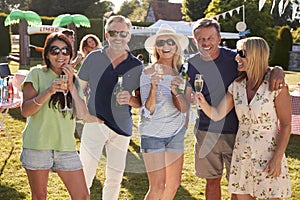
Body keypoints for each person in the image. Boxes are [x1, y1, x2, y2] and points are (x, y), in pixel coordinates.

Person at [186, 18, 285, 200]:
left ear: (219, 38)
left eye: (210, 38)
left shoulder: (234, 58)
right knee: (213, 181)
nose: (206, 43)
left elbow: (257, 63)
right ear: (194, 40)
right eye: (201, 39)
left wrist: (277, 69)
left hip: (237, 133)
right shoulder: (192, 64)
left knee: (239, 186)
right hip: (206, 131)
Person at [77, 15, 143, 200]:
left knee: (114, 178)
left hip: (122, 129)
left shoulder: (137, 65)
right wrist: (84, 114)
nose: (118, 37)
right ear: (107, 35)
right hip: (95, 123)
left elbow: (140, 102)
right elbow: (77, 90)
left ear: (129, 36)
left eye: (123, 33)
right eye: (114, 32)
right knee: (85, 175)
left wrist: (130, 99)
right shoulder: (93, 58)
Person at [20, 32, 90, 199]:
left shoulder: (74, 80)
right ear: (47, 54)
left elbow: (82, 114)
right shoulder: (37, 73)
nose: (61, 55)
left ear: (71, 55)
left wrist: (72, 85)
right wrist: (49, 91)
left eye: (65, 51)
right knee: (40, 197)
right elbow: (26, 111)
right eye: (55, 50)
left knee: (83, 197)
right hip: (37, 146)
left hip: (66, 147)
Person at [139, 24, 192, 199]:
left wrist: (175, 91)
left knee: (173, 184)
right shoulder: (147, 72)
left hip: (175, 134)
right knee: (158, 187)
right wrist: (153, 88)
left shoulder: (183, 73)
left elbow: (184, 107)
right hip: (153, 133)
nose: (166, 46)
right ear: (156, 47)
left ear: (176, 46)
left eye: (170, 42)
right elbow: (148, 109)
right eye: (161, 42)